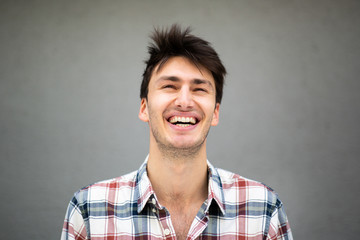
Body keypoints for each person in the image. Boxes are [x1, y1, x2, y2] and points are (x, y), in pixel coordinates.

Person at [61, 24, 293, 240]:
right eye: (170, 86)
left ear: (215, 113)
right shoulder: (90, 210)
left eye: (199, 88)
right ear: (144, 108)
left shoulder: (263, 209)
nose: (184, 101)